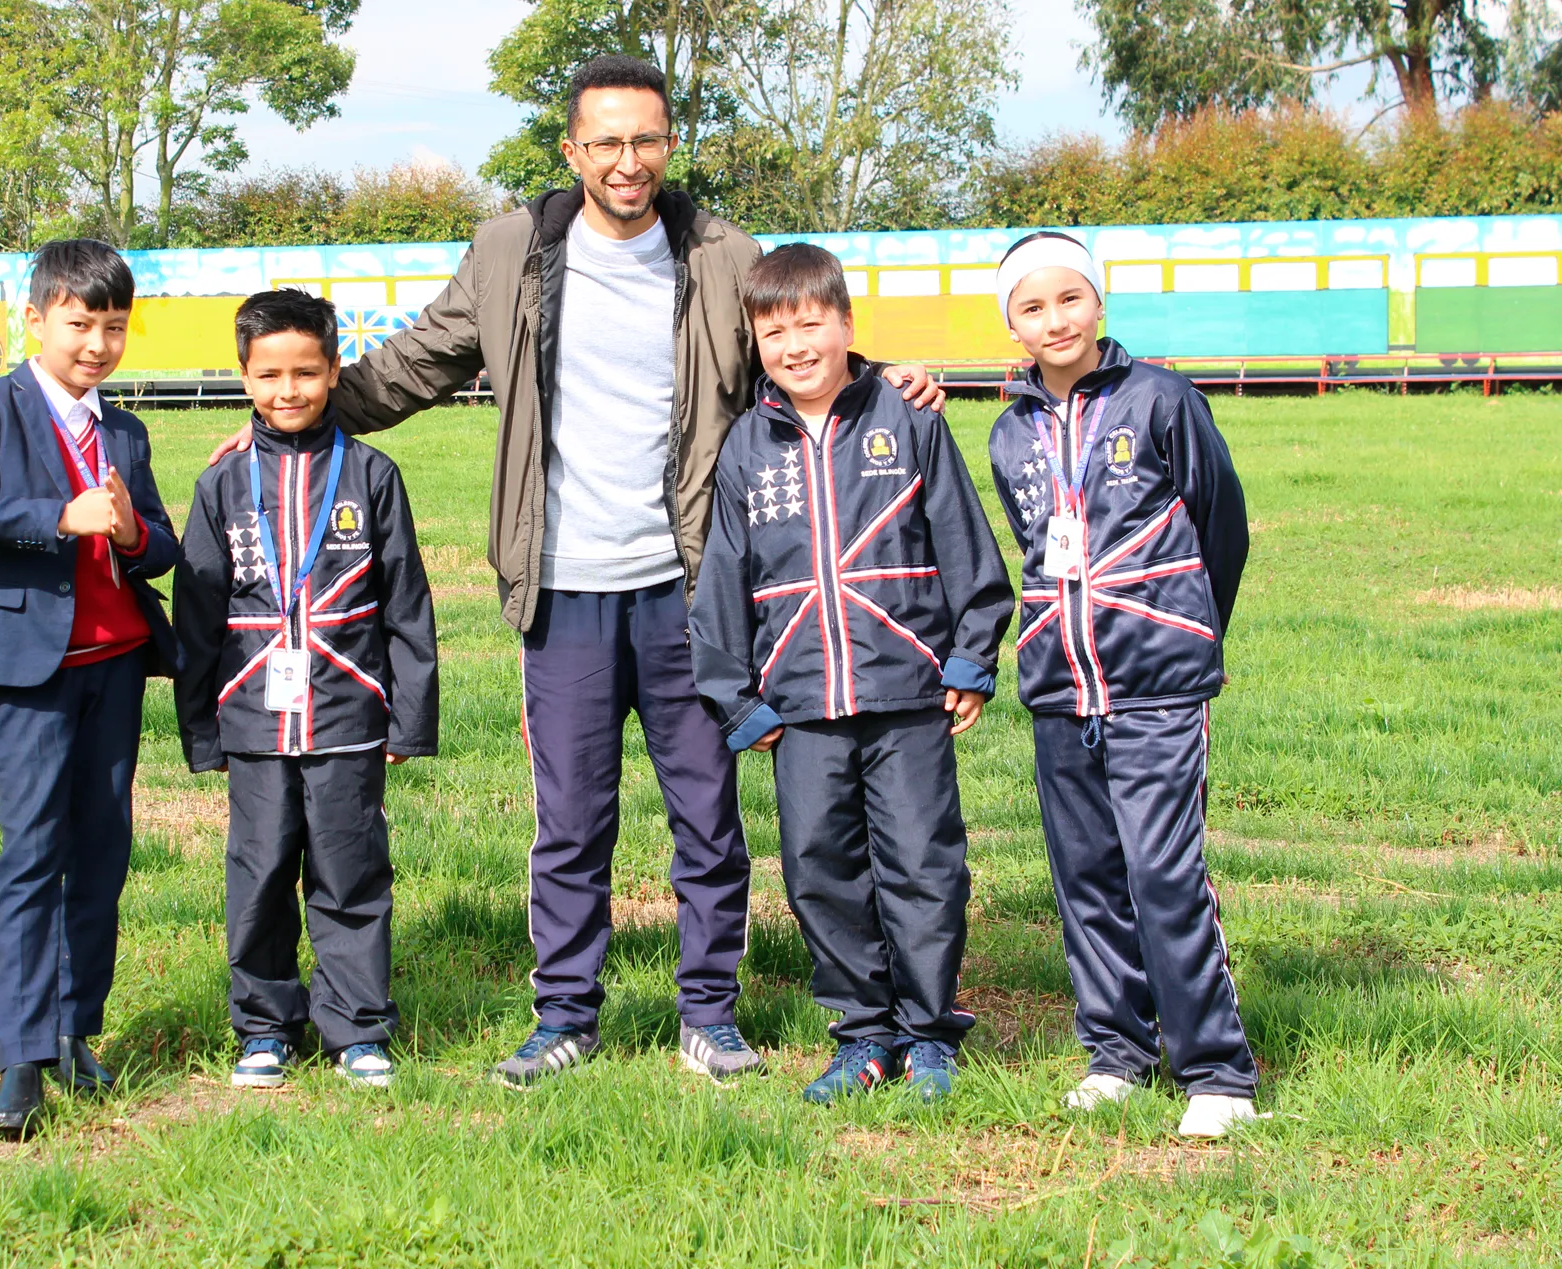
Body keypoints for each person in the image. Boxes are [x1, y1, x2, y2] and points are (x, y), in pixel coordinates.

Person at [206, 55, 946, 1089]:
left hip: (692, 589)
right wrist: (284, 429)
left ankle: (709, 1013)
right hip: (560, 589)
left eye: (646, 139)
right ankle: (564, 1014)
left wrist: (878, 378)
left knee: (708, 816)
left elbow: (793, 346)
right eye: (606, 142)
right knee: (570, 823)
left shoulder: (724, 254)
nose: (627, 161)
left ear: (669, 144)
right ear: (572, 150)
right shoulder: (508, 251)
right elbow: (413, 364)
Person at [689, 244, 1014, 1104]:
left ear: (846, 324)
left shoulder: (906, 417)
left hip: (907, 694)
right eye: (774, 332)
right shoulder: (746, 446)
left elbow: (964, 541)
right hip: (800, 706)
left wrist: (972, 656)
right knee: (818, 867)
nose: (795, 345)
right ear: (755, 342)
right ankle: (863, 1034)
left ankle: (928, 1033)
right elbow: (722, 580)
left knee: (924, 864)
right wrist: (737, 700)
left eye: (811, 324)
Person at [987, 231, 1260, 1138]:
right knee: (1088, 878)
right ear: (1013, 325)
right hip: (1061, 688)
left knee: (1163, 872)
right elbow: (1035, 544)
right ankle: (1117, 1053)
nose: (1055, 319)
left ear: (1099, 304)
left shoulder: (1160, 399)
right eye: (1032, 307)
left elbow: (1221, 524)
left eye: (1070, 298)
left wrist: (1188, 629)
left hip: (1156, 683)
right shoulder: (1009, 431)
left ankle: (1216, 1070)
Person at [0, 239, 180, 1138]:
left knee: (103, 850)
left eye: (114, 327)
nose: (97, 345)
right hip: (32, 670)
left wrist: (135, 532)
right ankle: (21, 1060)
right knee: (32, 853)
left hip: (117, 663)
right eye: (79, 324)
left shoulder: (126, 430)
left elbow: (160, 543)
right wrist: (57, 517)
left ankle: (75, 1031)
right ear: (35, 319)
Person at [173, 290, 438, 1090]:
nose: (287, 390)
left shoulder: (372, 475)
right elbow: (197, 615)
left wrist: (408, 720)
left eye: (305, 373)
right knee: (258, 873)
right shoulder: (223, 483)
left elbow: (407, 605)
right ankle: (264, 1025)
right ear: (244, 377)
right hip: (253, 717)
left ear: (332, 371)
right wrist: (202, 729)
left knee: (349, 870)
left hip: (349, 713)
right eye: (269, 375)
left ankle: (357, 1025)